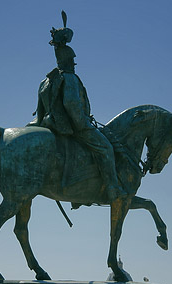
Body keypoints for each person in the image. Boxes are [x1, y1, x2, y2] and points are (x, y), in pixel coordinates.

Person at [28, 12, 125, 203]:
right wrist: (84, 124)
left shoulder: (46, 80)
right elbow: (71, 105)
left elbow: (39, 110)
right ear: (69, 58)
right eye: (73, 59)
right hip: (71, 126)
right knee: (105, 148)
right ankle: (113, 189)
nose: (74, 62)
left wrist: (35, 125)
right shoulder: (70, 79)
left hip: (47, 124)